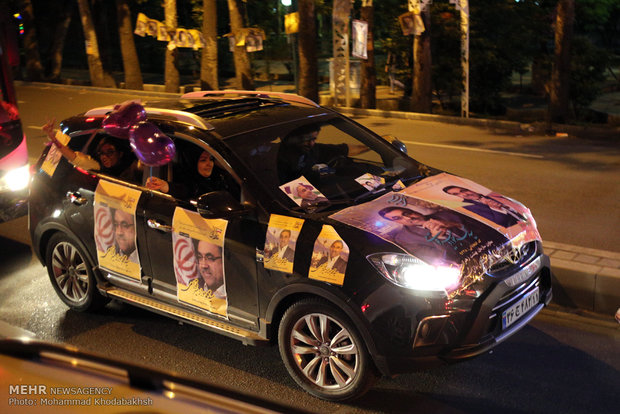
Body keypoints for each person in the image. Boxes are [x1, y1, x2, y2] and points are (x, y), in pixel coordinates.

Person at [42, 120, 141, 181]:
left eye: (110, 152)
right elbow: (74, 158)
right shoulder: (97, 166)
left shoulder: (134, 165)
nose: (104, 157)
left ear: (120, 153)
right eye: (101, 153)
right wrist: (54, 139)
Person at [276, 124, 369, 183]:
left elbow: (346, 149)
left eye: (313, 139)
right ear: (289, 138)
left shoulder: (313, 150)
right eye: (305, 139)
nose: (311, 144)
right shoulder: (274, 159)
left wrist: (373, 145)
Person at [146, 150, 238, 200]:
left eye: (211, 159)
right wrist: (163, 185)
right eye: (203, 160)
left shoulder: (221, 177)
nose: (209, 164)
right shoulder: (189, 182)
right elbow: (182, 190)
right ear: (192, 163)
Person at [442, 185, 523, 228]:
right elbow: (501, 223)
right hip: (517, 226)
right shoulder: (468, 206)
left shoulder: (488, 193)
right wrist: (495, 208)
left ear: (468, 188)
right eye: (457, 194)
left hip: (524, 214)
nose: (464, 194)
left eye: (463, 190)